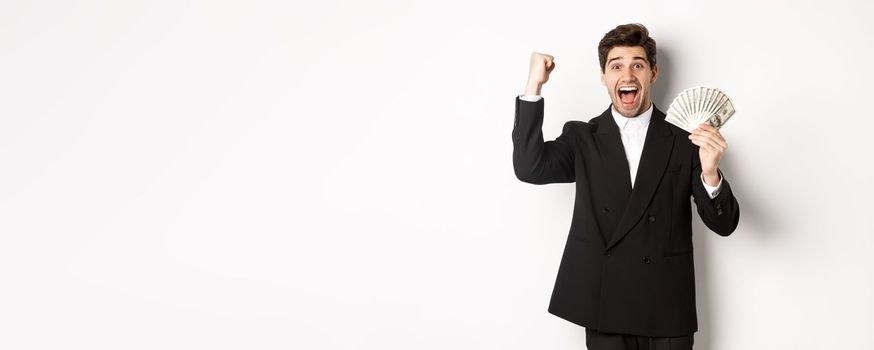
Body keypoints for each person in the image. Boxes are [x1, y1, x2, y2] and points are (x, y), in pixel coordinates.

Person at [511, 23, 740, 350]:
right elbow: (529, 167)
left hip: (668, 307)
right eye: (616, 66)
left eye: (638, 64)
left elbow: (724, 224)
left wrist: (711, 172)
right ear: (603, 77)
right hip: (607, 303)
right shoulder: (582, 138)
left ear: (653, 73)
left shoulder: (684, 140)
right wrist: (534, 84)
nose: (627, 74)